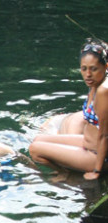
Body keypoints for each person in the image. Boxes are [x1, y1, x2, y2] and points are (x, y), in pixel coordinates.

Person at [29, 40, 108, 180]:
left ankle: (64, 173)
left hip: (96, 155)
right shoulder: (95, 83)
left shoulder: (103, 91)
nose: (88, 74)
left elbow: (104, 135)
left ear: (105, 67)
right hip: (86, 143)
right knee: (38, 139)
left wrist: (96, 170)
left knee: (34, 150)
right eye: (84, 69)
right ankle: (66, 169)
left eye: (93, 69)